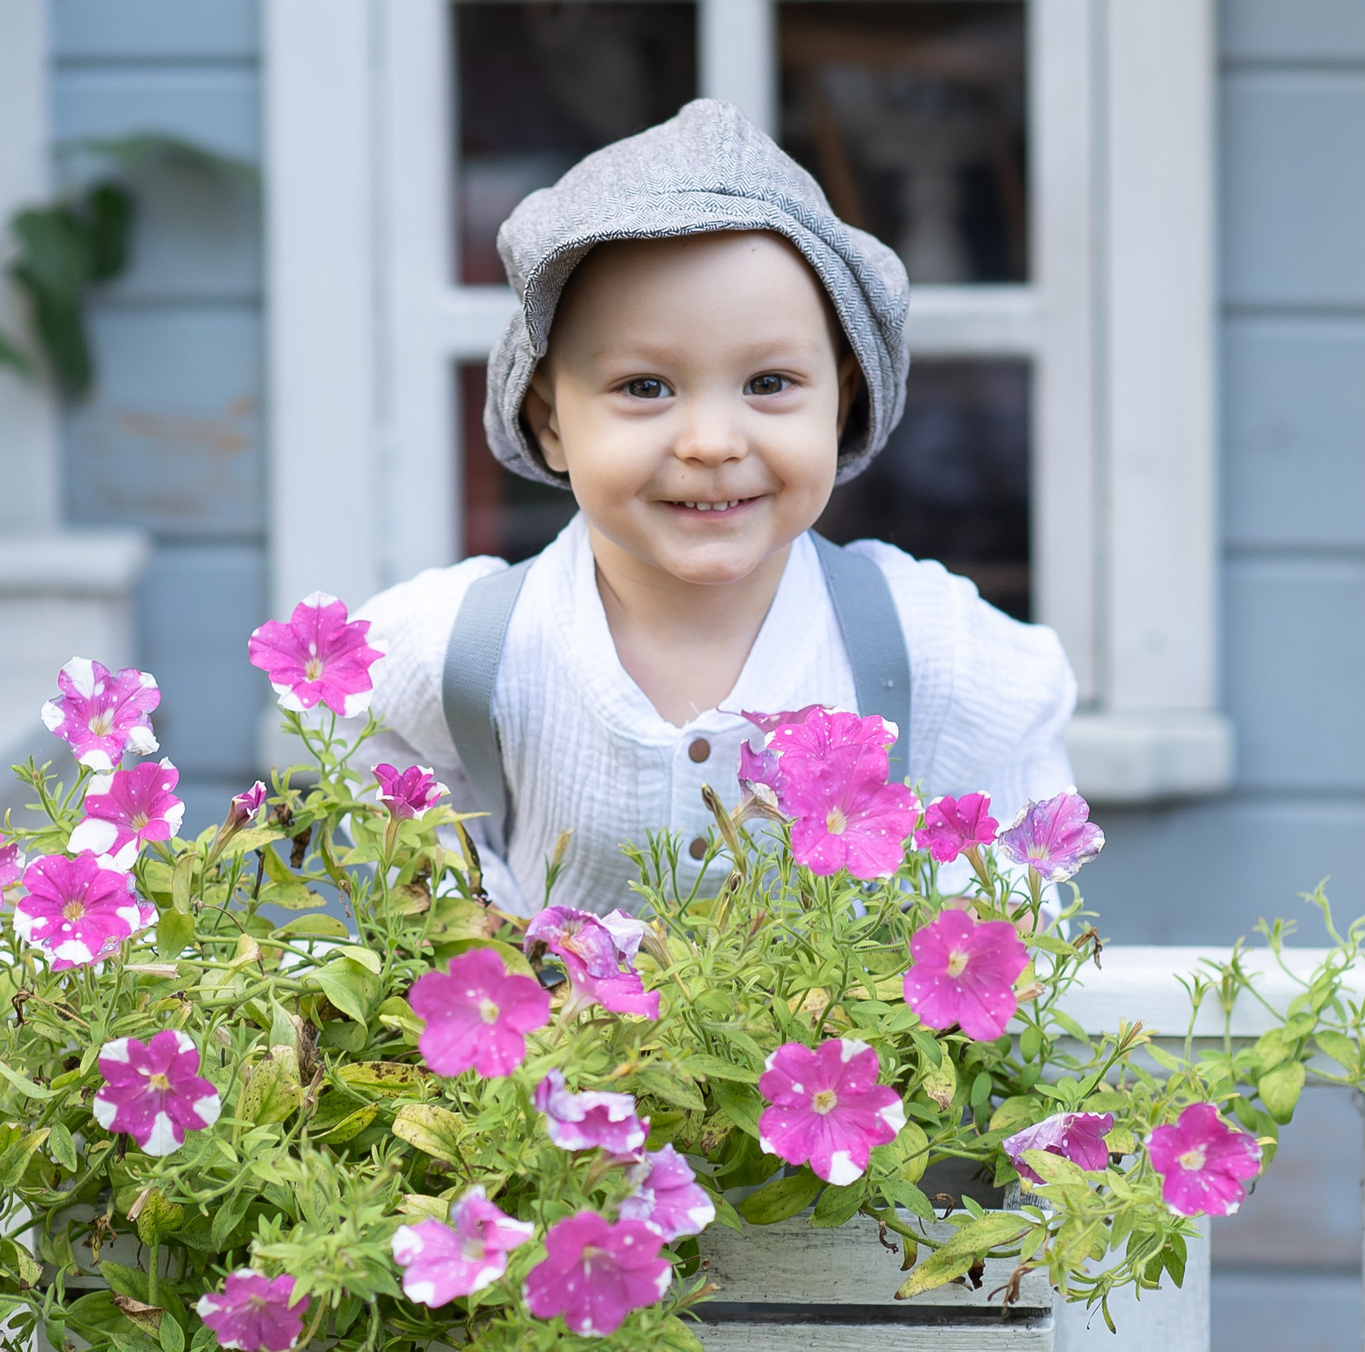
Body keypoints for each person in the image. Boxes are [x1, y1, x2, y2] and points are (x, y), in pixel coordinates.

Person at [358, 99, 1076, 917]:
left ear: (840, 403)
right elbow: (373, 755)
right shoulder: (474, 648)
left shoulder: (923, 645)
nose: (711, 442)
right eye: (645, 386)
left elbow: (1021, 859)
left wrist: (931, 934)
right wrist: (485, 920)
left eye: (769, 383)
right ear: (550, 421)